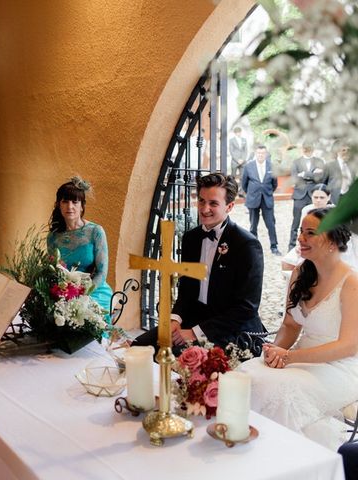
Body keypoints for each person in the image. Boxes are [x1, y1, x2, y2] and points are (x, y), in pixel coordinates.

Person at [238, 208, 358, 451]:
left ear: (333, 241)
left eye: (310, 233)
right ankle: (244, 447)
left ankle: (285, 456)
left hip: (340, 368)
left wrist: (290, 356)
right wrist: (275, 351)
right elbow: (290, 325)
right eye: (301, 231)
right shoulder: (300, 273)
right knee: (246, 373)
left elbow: (348, 346)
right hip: (301, 358)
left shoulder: (351, 283)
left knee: (282, 392)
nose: (301, 238)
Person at [132, 173, 265, 353]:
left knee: (180, 360)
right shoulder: (191, 238)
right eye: (201, 201)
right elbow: (186, 290)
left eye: (213, 203)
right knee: (139, 346)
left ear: (230, 206)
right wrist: (175, 320)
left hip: (232, 329)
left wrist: (195, 333)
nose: (204, 208)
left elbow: (246, 308)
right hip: (196, 318)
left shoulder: (246, 244)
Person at [47, 177, 112, 314]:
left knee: (82, 315)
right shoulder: (53, 237)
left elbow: (102, 272)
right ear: (59, 205)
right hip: (65, 292)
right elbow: (54, 271)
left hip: (94, 290)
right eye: (65, 202)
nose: (69, 207)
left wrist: (82, 294)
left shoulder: (95, 231)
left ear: (82, 205)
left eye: (75, 202)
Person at [242, 145, 281, 255]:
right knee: (253, 224)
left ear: (266, 154)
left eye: (262, 153)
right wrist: (252, 193)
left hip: (267, 199)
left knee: (271, 224)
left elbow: (275, 184)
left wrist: (267, 192)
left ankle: (274, 246)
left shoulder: (271, 166)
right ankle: (253, 247)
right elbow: (244, 184)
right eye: (258, 153)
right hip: (253, 199)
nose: (260, 155)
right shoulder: (249, 166)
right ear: (255, 153)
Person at [289, 143, 325, 250]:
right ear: (302, 149)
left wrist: (304, 174)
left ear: (313, 149)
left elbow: (320, 178)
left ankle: (314, 245)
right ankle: (291, 246)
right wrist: (312, 174)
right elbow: (295, 178)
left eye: (309, 149)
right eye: (305, 149)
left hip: (314, 195)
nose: (307, 151)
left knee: (316, 221)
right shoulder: (296, 162)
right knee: (296, 221)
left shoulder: (319, 161)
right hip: (299, 195)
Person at [324, 140, 354, 205]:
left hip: (350, 199)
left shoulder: (353, 166)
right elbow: (323, 184)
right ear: (337, 151)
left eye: (348, 150)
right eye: (343, 150)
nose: (346, 152)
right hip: (335, 200)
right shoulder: (329, 166)